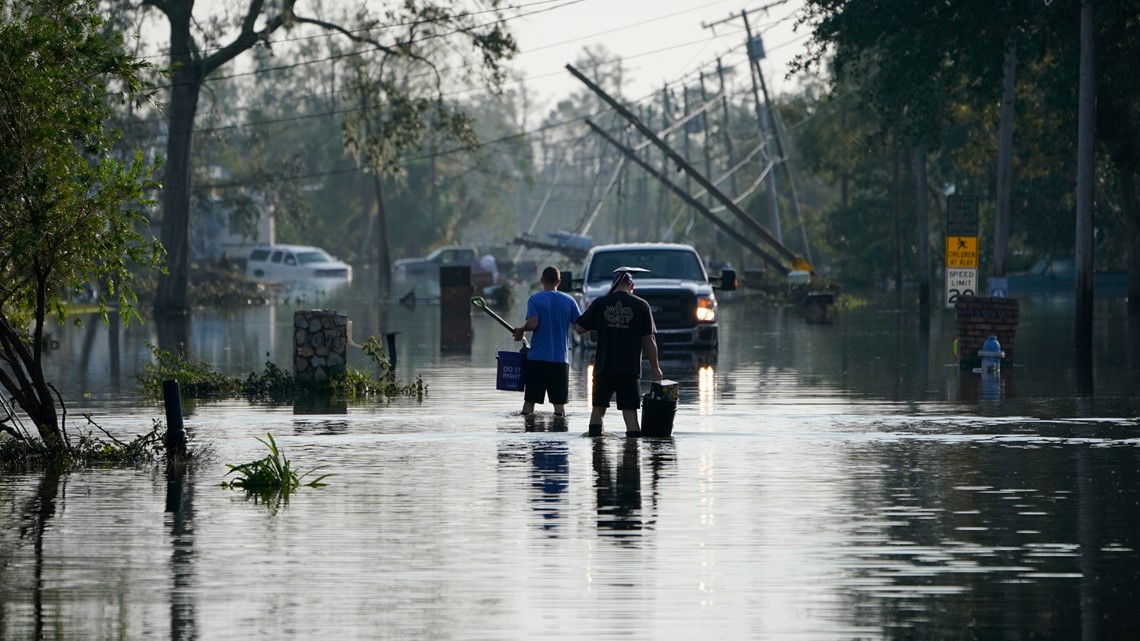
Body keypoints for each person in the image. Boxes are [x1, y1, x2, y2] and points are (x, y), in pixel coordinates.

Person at [574, 267, 662, 437]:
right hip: (629, 370)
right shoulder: (641, 305)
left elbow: (579, 328)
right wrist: (655, 368)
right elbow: (649, 340)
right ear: (632, 285)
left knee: (598, 411)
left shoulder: (600, 303)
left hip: (603, 368)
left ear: (613, 285)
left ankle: (596, 452)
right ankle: (632, 454)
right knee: (630, 414)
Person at [512, 265, 581, 416]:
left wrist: (521, 330)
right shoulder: (570, 301)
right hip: (560, 361)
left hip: (537, 360)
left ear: (542, 280)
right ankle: (560, 434)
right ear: (559, 281)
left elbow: (533, 323)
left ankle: (529, 431)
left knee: (529, 404)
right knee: (560, 408)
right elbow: (580, 328)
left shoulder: (535, 299)